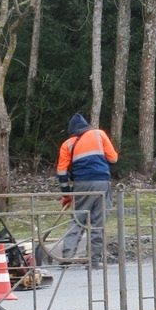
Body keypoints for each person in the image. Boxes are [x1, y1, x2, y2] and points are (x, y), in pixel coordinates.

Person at [56, 112, 118, 263]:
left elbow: (61, 172)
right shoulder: (99, 134)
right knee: (98, 223)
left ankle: (66, 258)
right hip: (102, 183)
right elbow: (113, 159)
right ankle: (95, 260)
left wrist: (67, 195)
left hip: (81, 185)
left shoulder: (67, 144)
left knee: (77, 221)